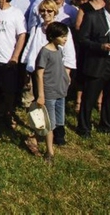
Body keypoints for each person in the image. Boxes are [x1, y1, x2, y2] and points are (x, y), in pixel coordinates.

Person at [76, 0, 110, 136]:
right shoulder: (93, 16)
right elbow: (82, 39)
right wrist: (100, 46)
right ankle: (84, 128)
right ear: (105, 0)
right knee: (90, 97)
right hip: (98, 60)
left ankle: (107, 125)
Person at [34, 22, 71, 162]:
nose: (65, 39)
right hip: (49, 92)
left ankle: (36, 139)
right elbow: (39, 74)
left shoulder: (59, 50)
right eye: (62, 36)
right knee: (49, 123)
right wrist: (41, 94)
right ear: (53, 36)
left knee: (58, 121)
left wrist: (66, 79)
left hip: (60, 91)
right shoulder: (45, 52)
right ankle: (49, 151)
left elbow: (60, 67)